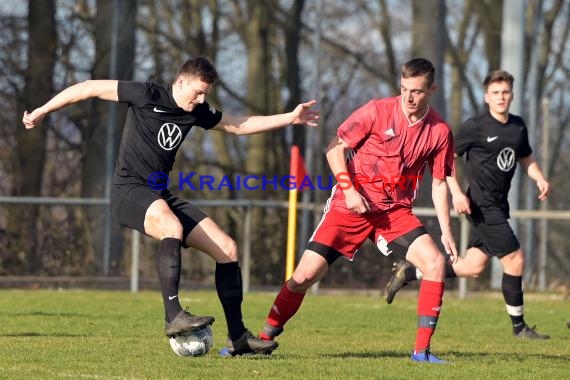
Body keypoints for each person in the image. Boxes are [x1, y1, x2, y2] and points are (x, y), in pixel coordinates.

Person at [22, 56, 319, 356]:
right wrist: (42, 111)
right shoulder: (146, 94)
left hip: (158, 194)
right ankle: (173, 315)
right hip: (128, 191)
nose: (202, 99)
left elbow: (239, 125)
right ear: (180, 82)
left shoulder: (196, 112)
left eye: (206, 94)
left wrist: (289, 117)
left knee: (227, 249)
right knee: (171, 226)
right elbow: (87, 88)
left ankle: (238, 338)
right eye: (198, 92)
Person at [257, 58, 457, 363]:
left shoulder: (440, 131)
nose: (409, 97)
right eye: (404, 89)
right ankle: (263, 338)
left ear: (432, 90)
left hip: (393, 212)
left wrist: (446, 231)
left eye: (416, 91)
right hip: (350, 205)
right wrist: (349, 190)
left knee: (434, 262)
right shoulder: (377, 110)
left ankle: (421, 353)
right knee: (305, 275)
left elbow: (440, 184)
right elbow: (334, 149)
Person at [385, 69, 551, 340]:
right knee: (515, 259)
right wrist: (458, 194)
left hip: (499, 205)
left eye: (505, 92)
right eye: (495, 92)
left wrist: (540, 178)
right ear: (486, 96)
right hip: (480, 206)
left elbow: (526, 158)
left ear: (512, 95)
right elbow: (446, 162)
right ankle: (520, 328)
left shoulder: (517, 126)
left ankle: (410, 272)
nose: (501, 97)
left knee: (473, 267)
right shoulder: (475, 127)